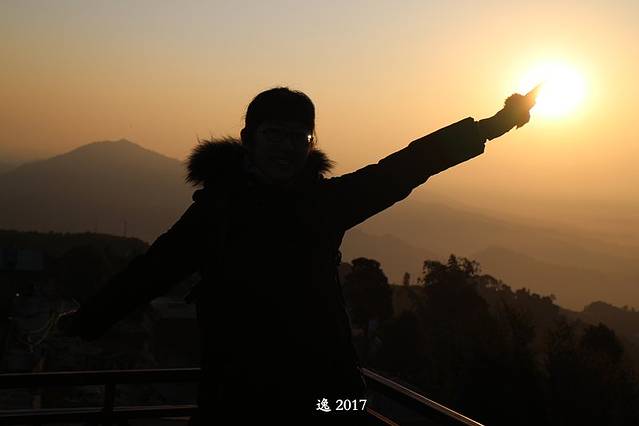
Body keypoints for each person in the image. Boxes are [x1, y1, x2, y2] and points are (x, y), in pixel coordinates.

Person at [57, 86, 537, 423]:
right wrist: (87, 320)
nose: (286, 147)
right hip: (239, 397)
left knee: (352, 410)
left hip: (327, 398)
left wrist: (493, 126)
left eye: (299, 137)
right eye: (274, 134)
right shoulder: (215, 213)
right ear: (248, 139)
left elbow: (408, 165)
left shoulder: (327, 204)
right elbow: (151, 271)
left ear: (311, 145)